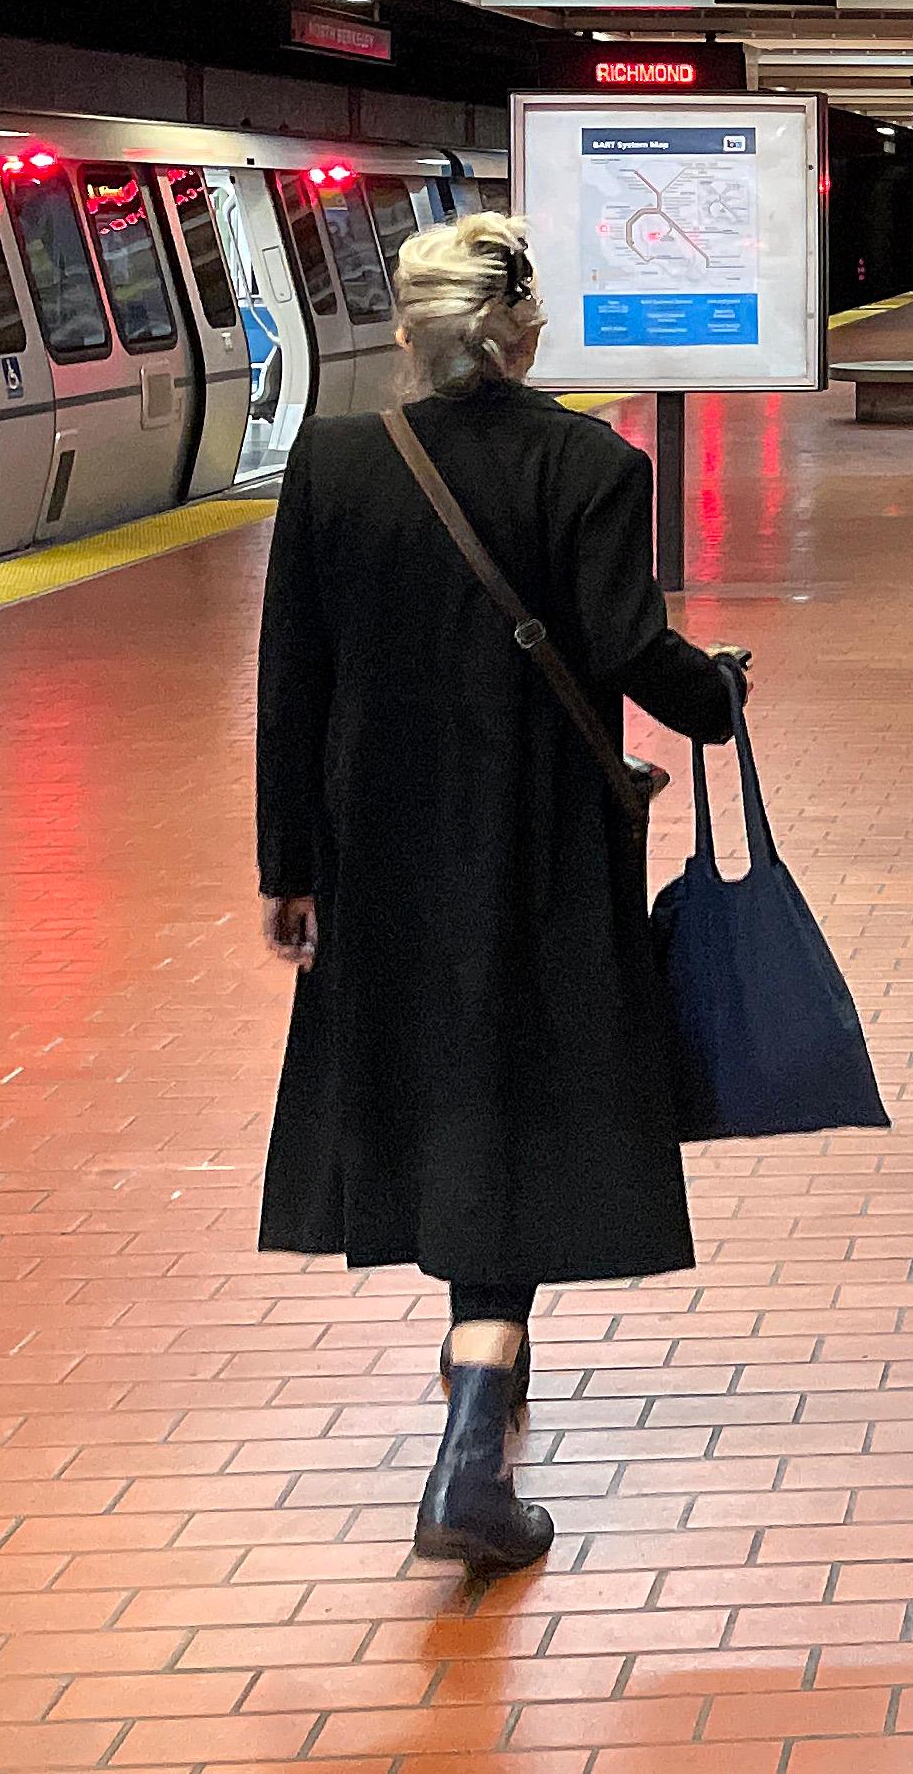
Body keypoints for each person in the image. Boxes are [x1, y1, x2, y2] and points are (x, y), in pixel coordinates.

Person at [252, 210, 746, 1571]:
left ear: (408, 329)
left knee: (442, 1092)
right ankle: (474, 1433)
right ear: (525, 331)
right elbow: (625, 645)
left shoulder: (336, 461)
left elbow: (291, 673)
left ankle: (486, 1376)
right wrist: (720, 698)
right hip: (537, 842)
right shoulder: (591, 461)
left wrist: (287, 869)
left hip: (381, 850)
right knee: (515, 1097)